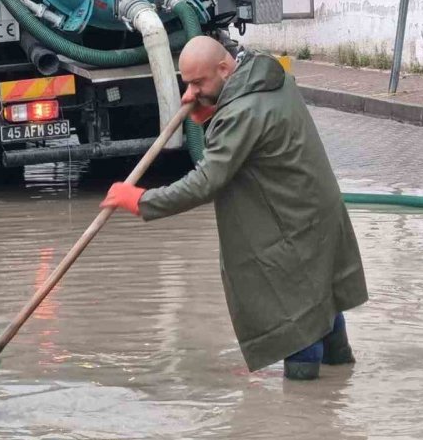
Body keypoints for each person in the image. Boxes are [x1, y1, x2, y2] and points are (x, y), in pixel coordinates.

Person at [101, 36, 368, 380]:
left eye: (199, 83)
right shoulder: (270, 79)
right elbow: (246, 139)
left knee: (296, 321)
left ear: (225, 69)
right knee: (321, 299)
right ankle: (339, 386)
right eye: (187, 84)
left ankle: (305, 413)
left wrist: (140, 200)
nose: (191, 92)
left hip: (291, 225)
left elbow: (206, 181)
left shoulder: (241, 112)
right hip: (315, 213)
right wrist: (207, 108)